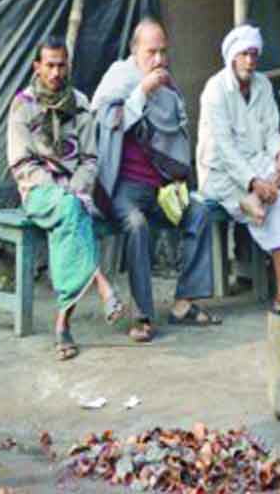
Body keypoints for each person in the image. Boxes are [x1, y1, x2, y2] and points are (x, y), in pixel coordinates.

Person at [91, 18, 220, 343]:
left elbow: (175, 136)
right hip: (123, 190)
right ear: (135, 51)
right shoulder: (119, 78)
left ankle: (183, 302)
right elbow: (105, 120)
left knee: (200, 212)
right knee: (136, 225)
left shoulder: (169, 90)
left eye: (164, 52)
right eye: (152, 52)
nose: (159, 60)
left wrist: (176, 181)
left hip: (160, 190)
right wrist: (141, 93)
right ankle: (143, 315)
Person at [6, 36, 125, 361]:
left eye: (62, 65)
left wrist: (75, 187)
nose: (57, 72)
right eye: (50, 65)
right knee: (71, 209)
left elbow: (89, 159)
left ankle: (63, 325)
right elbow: (21, 164)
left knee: (72, 214)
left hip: (75, 193)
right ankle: (100, 283)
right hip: (38, 193)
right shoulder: (23, 106)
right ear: (37, 67)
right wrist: (60, 189)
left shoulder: (81, 104)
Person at [196, 24, 280, 314]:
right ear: (232, 57)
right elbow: (224, 149)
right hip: (221, 173)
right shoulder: (215, 90)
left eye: (253, 54)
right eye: (244, 54)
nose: (250, 61)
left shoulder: (262, 85)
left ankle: (258, 199)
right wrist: (252, 182)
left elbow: (271, 131)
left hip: (259, 164)